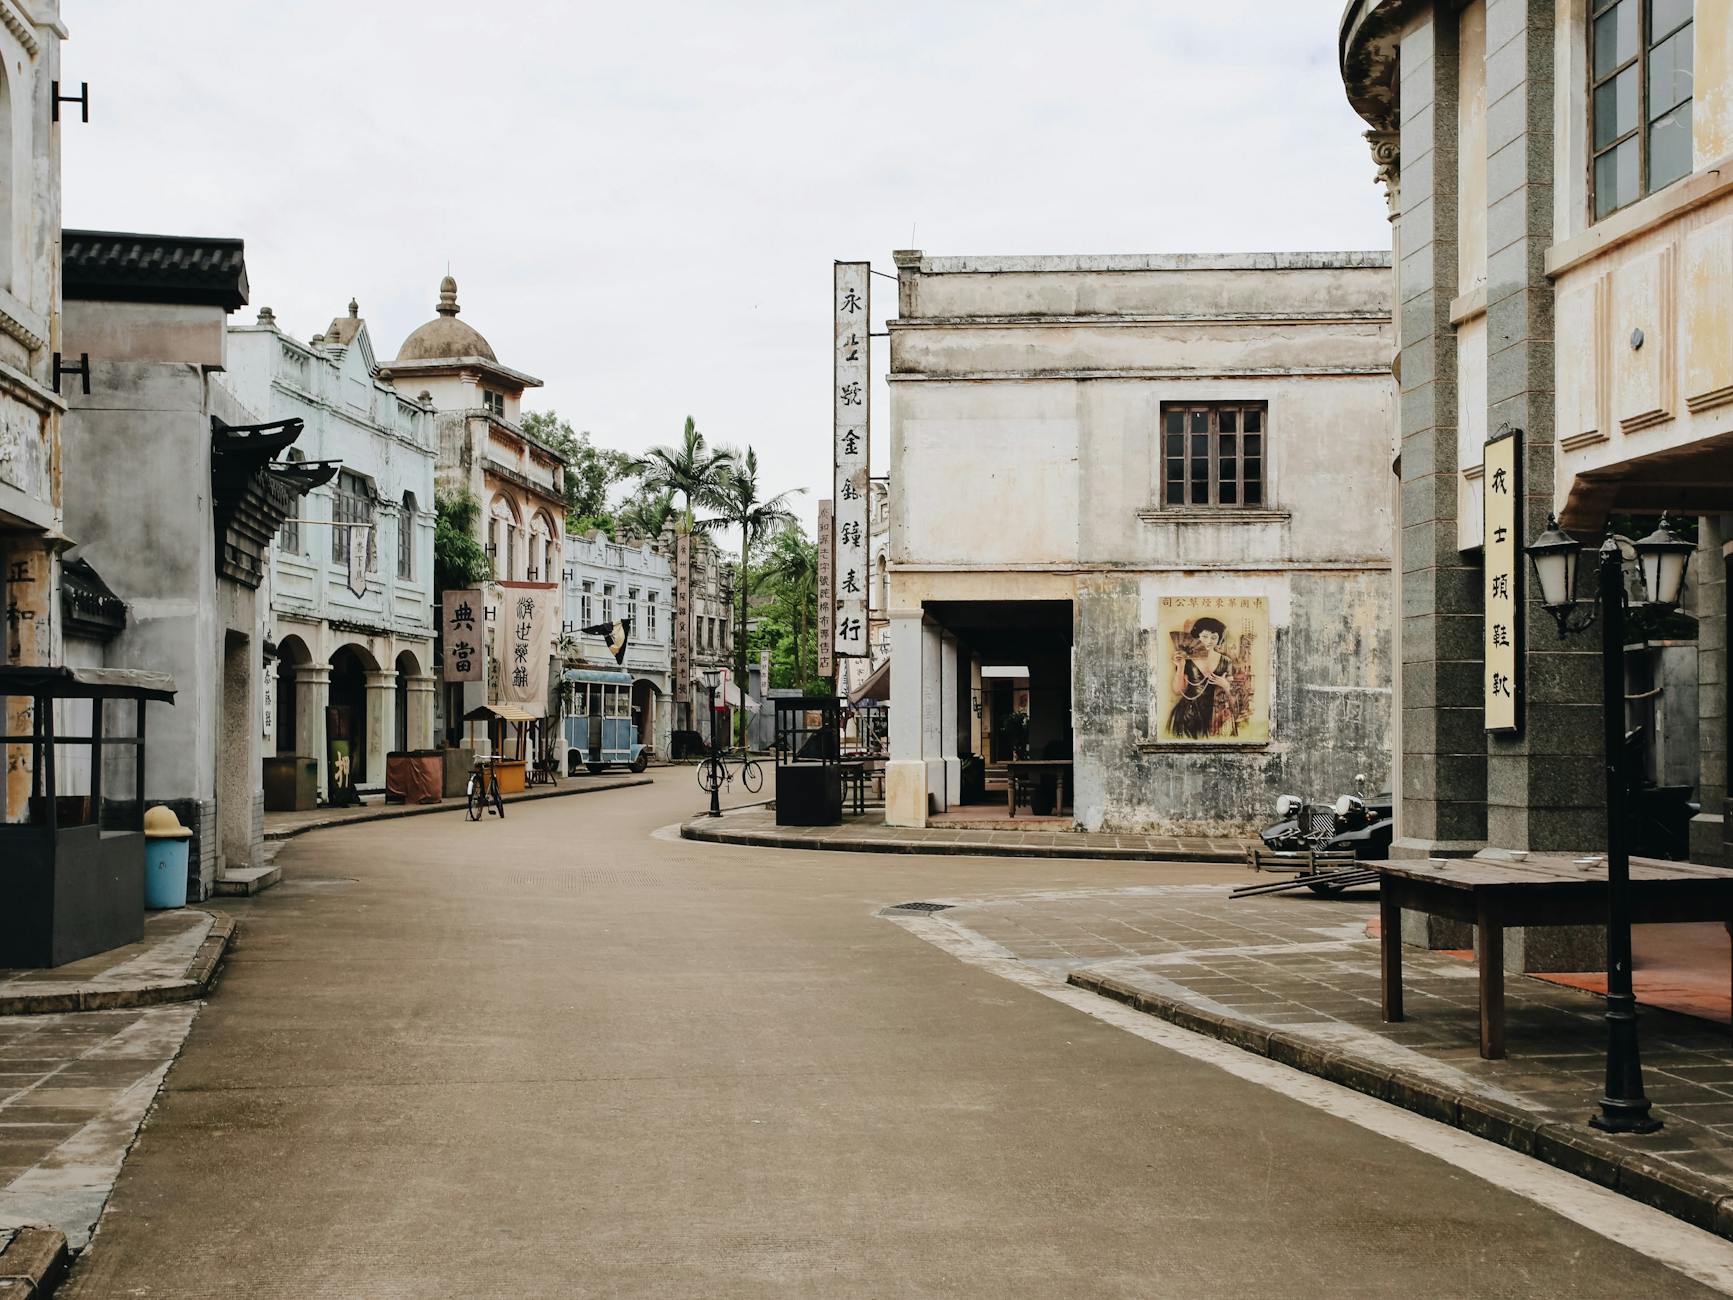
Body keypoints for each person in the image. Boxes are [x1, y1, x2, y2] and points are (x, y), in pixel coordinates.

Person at [1167, 616, 1235, 740]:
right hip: (1188, 713)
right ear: (1197, 636)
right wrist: (1180, 667)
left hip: (1216, 713)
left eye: (1214, 637)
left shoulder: (1226, 661)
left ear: (1219, 639)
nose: (1209, 641)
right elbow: (1178, 690)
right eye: (1205, 636)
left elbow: (1234, 697)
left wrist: (1225, 685)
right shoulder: (1187, 659)